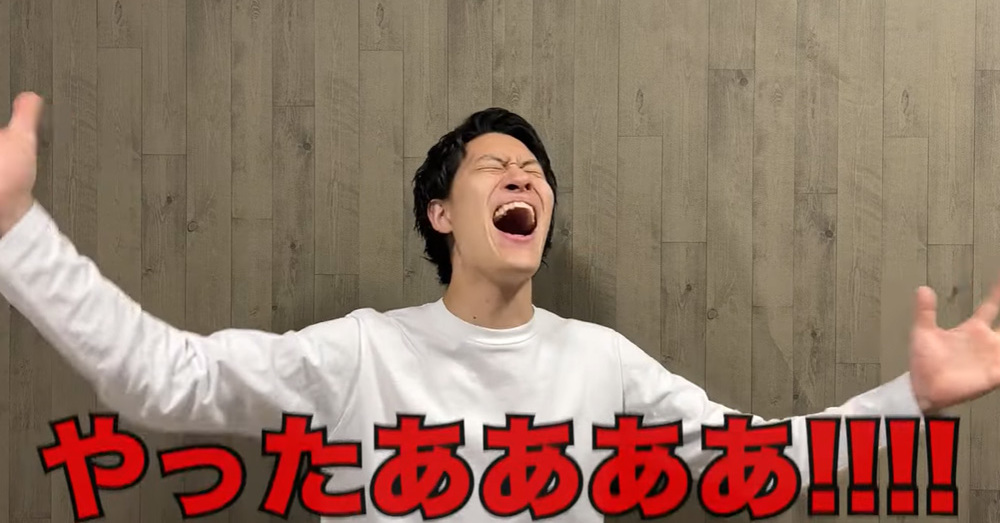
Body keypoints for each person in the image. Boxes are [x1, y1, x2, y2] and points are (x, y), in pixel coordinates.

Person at [0, 91, 997, 521]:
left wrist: (907, 400)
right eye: (493, 165)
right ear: (441, 212)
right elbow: (162, 380)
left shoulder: (602, 363)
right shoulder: (361, 354)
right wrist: (16, 232)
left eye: (534, 169)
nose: (522, 175)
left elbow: (760, 461)